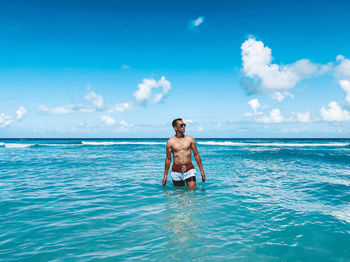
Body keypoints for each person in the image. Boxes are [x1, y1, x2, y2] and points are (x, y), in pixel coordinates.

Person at [162, 118, 206, 189]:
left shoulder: (190, 139)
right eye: (181, 125)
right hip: (176, 171)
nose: (184, 127)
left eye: (184, 125)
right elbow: (168, 159)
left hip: (189, 169)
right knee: (180, 195)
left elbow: (196, 155)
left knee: (192, 192)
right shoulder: (170, 142)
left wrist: (202, 171)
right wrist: (165, 176)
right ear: (175, 128)